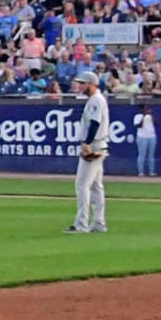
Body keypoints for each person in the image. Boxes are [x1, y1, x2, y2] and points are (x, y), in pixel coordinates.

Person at [67, 70, 109, 234]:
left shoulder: (96, 100)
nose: (80, 86)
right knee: (96, 186)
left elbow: (94, 123)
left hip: (94, 145)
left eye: (82, 83)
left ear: (91, 84)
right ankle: (99, 223)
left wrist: (87, 143)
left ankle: (81, 224)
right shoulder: (95, 99)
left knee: (82, 184)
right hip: (99, 144)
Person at [133, 104, 158, 177]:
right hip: (142, 137)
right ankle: (141, 172)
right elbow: (138, 125)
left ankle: (151, 172)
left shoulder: (150, 116)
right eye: (145, 109)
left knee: (151, 155)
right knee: (142, 155)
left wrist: (151, 115)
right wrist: (143, 116)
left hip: (151, 136)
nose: (146, 110)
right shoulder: (137, 116)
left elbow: (156, 123)